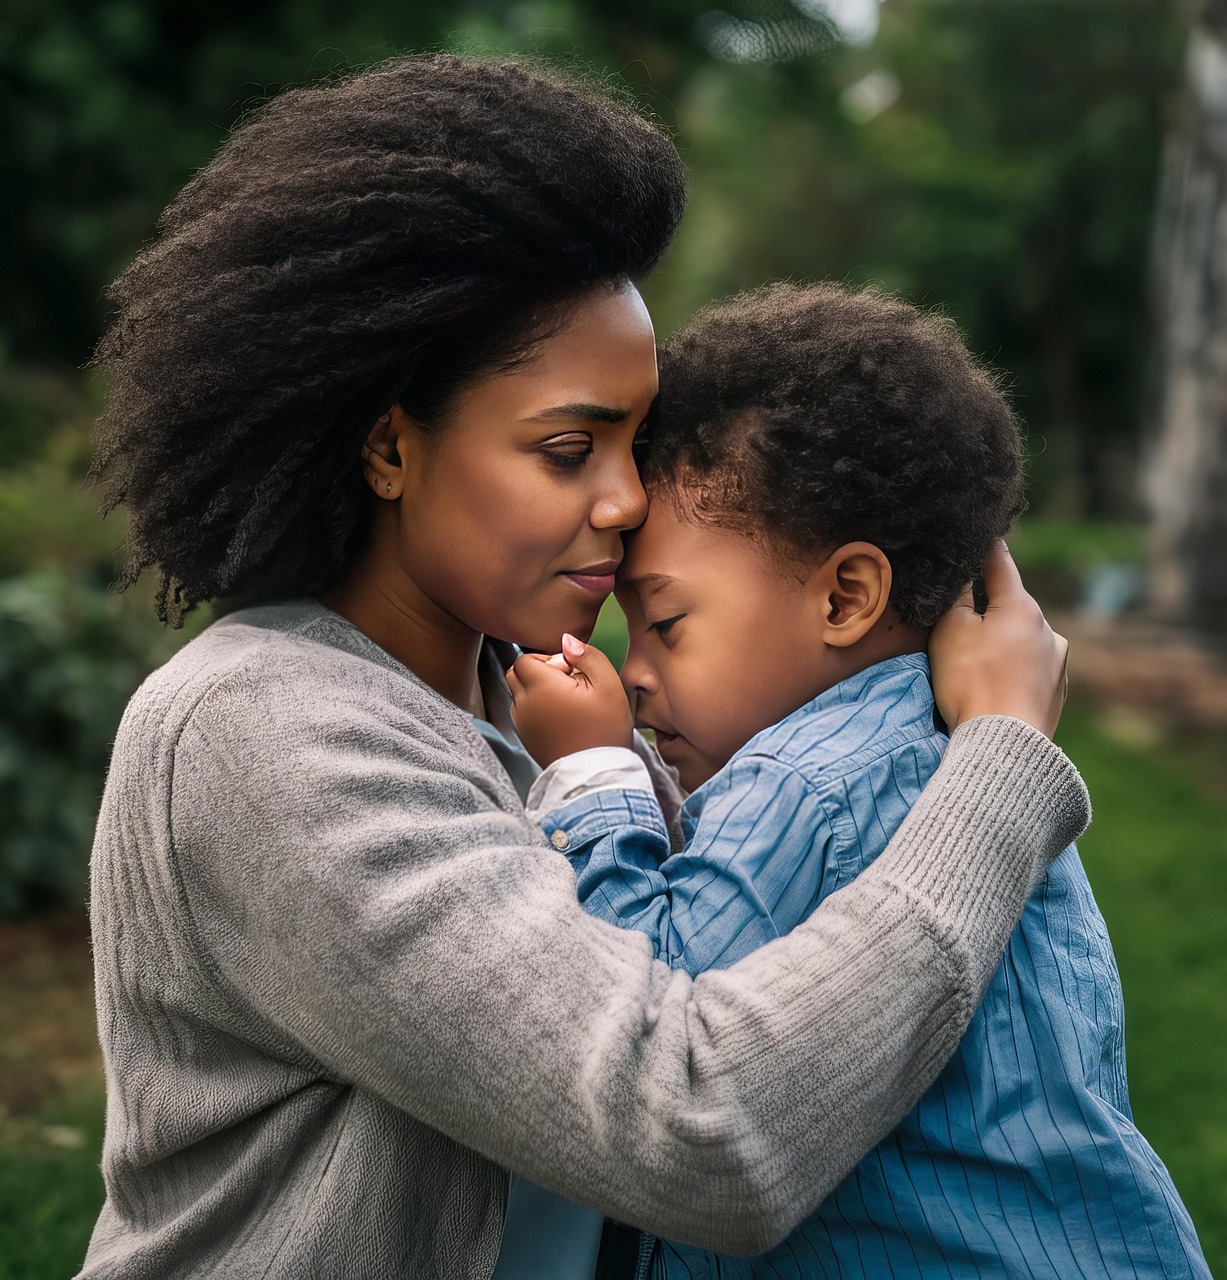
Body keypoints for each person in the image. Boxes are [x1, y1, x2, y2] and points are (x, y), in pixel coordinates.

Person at [81, 56, 1087, 1279]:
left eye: (634, 439)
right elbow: (702, 1128)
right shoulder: (261, 730)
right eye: (568, 447)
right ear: (389, 446)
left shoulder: (550, 705)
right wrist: (998, 770)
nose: (624, 500)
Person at [508, 283, 1211, 1279]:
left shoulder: (812, 778)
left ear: (844, 595)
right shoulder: (923, 746)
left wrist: (588, 770)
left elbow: (642, 992)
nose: (634, 669)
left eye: (664, 622)